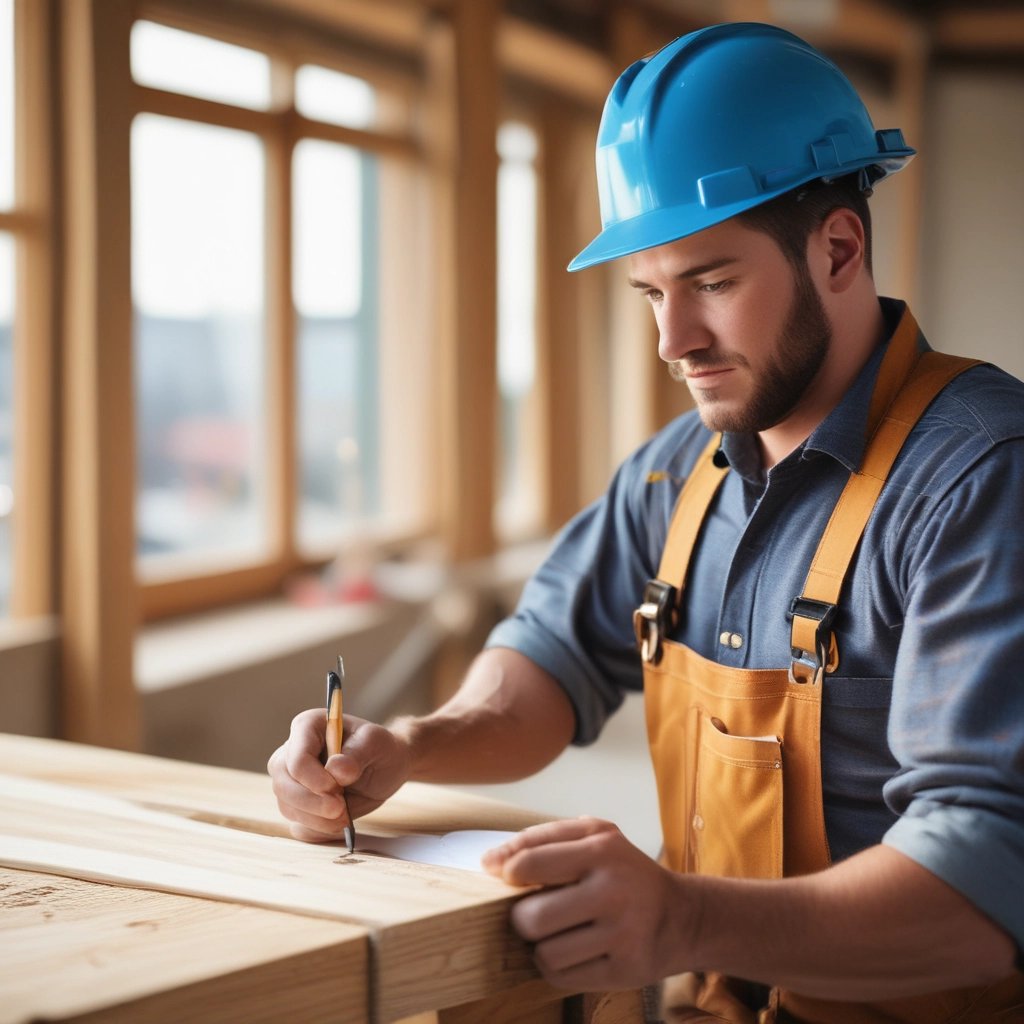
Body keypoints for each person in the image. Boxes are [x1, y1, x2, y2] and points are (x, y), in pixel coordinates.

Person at [268, 22, 1024, 1023]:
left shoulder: (976, 480)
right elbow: (545, 660)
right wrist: (408, 743)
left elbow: (985, 888)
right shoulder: (674, 479)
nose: (674, 340)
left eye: (711, 283)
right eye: (651, 294)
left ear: (839, 248)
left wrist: (684, 920)